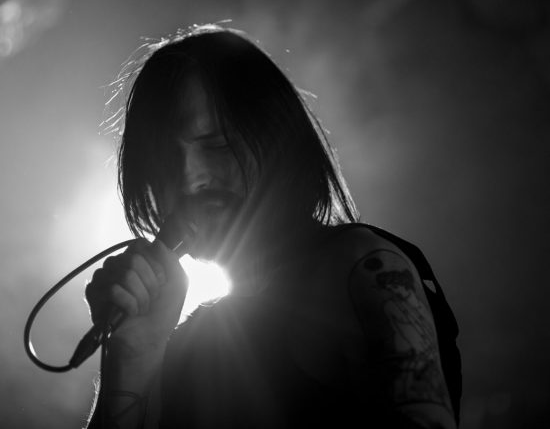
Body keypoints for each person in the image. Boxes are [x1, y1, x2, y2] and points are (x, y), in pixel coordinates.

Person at [84, 24, 462, 428]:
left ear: (277, 143)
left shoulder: (361, 265)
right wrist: (132, 357)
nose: (190, 178)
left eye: (217, 146)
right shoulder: (189, 341)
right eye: (164, 160)